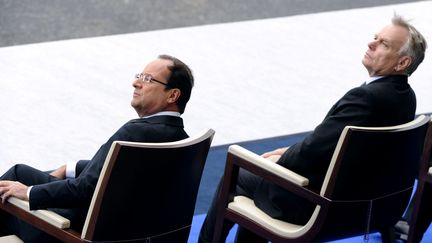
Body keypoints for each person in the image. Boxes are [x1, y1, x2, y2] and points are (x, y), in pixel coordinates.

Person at [199, 14, 427, 243]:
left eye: (383, 43)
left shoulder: (366, 98)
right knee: (263, 175)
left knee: (239, 172)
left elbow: (311, 153)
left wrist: (280, 160)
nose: (371, 44)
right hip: (370, 209)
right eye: (375, 38)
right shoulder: (405, 97)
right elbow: (331, 144)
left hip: (321, 210)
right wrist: (287, 151)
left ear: (402, 63)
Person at [0, 54, 194, 242]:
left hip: (72, 231)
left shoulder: (135, 134)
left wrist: (28, 192)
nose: (136, 83)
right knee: (21, 173)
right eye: (139, 76)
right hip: (128, 229)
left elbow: (84, 190)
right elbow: (119, 174)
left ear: (173, 95)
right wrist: (72, 167)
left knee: (14, 182)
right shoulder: (181, 140)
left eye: (148, 79)